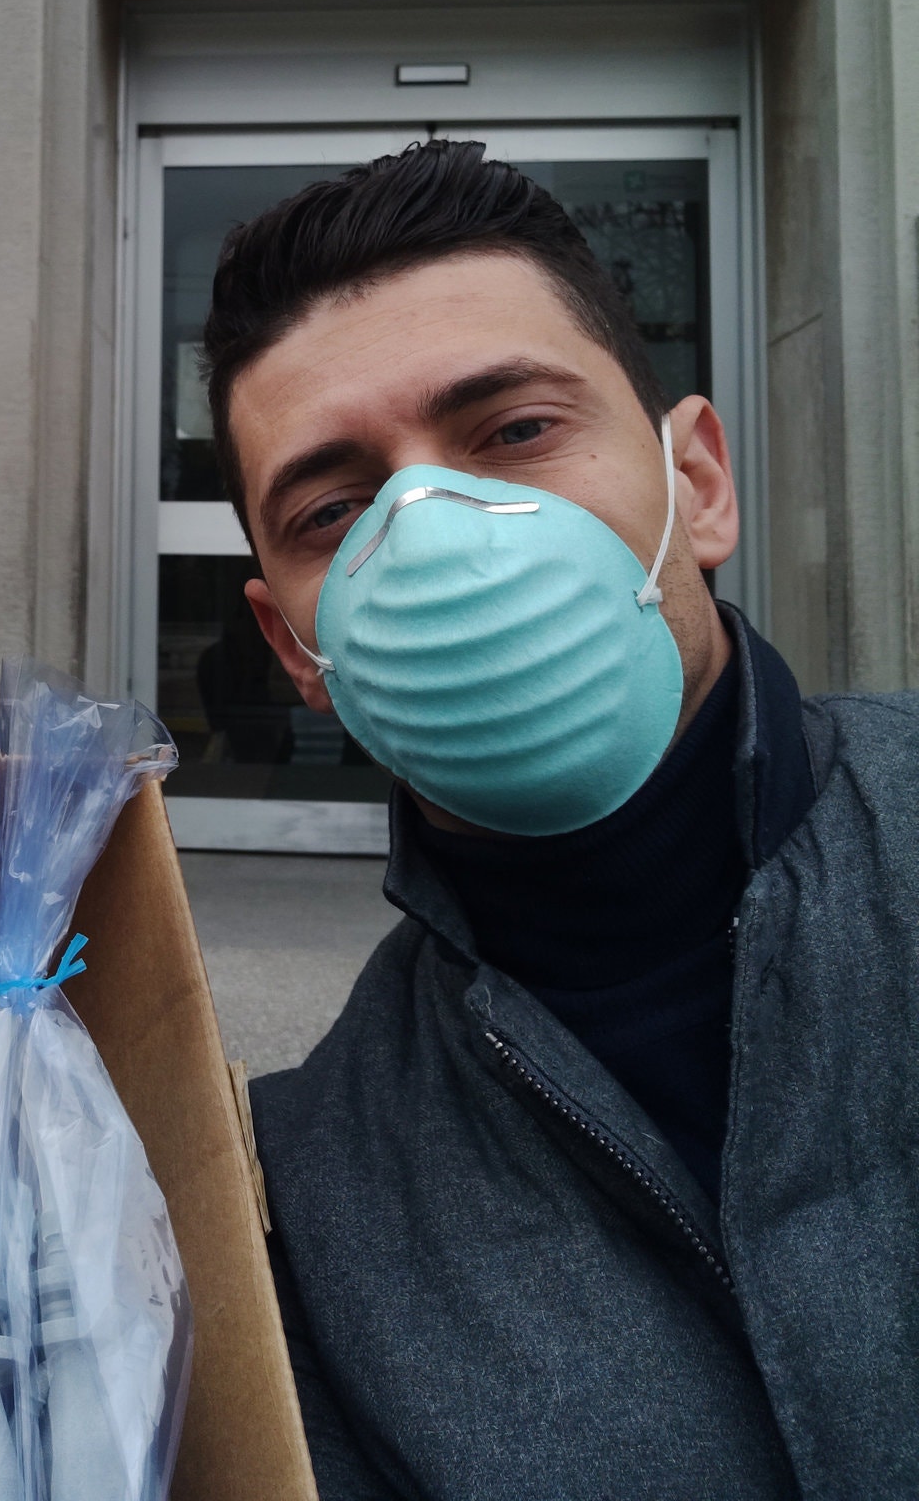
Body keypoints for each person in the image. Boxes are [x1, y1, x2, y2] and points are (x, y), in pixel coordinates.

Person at [202, 140, 919, 1499]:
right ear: (297, 650)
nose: (435, 534)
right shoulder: (317, 1192)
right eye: (335, 508)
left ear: (697, 482)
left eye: (517, 430)